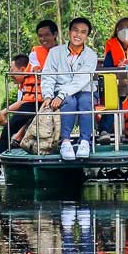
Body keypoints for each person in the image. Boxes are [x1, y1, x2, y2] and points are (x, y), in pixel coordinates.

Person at [41, 17, 98, 161]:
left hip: (85, 89)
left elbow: (81, 80)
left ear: (87, 36)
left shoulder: (91, 55)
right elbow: (48, 76)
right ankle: (65, 142)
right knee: (69, 102)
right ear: (69, 32)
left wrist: (61, 94)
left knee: (86, 101)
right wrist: (48, 96)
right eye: (75, 30)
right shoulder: (55, 52)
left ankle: (85, 141)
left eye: (83, 32)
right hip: (61, 91)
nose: (78, 35)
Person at [0, 54, 41, 183]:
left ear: (22, 69)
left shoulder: (35, 75)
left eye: (13, 70)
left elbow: (28, 106)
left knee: (6, 132)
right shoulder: (25, 83)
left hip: (37, 105)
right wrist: (4, 112)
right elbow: (23, 102)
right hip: (32, 106)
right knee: (4, 133)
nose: (11, 74)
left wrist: (17, 133)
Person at [98, 17, 128, 143]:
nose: (125, 31)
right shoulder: (112, 48)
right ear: (116, 31)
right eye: (121, 28)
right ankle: (105, 131)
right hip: (116, 84)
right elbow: (107, 68)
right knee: (111, 100)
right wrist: (118, 69)